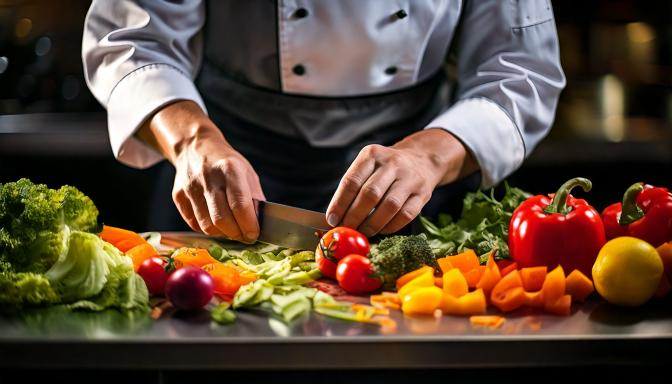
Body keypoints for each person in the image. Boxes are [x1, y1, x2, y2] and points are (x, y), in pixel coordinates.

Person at [82, 1, 565, 242]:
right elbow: (131, 40)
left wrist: (429, 154)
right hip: (228, 166)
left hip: (416, 185)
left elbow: (520, 69)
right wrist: (193, 140)